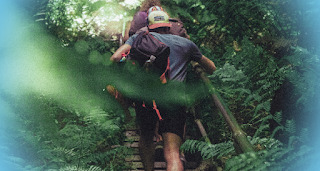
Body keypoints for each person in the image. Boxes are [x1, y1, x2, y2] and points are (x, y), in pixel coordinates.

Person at [111, 10, 216, 171]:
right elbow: (211, 69)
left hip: (147, 98)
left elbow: (116, 57)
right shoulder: (185, 44)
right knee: (172, 152)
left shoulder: (138, 39)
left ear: (149, 27)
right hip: (174, 100)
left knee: (146, 138)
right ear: (169, 26)